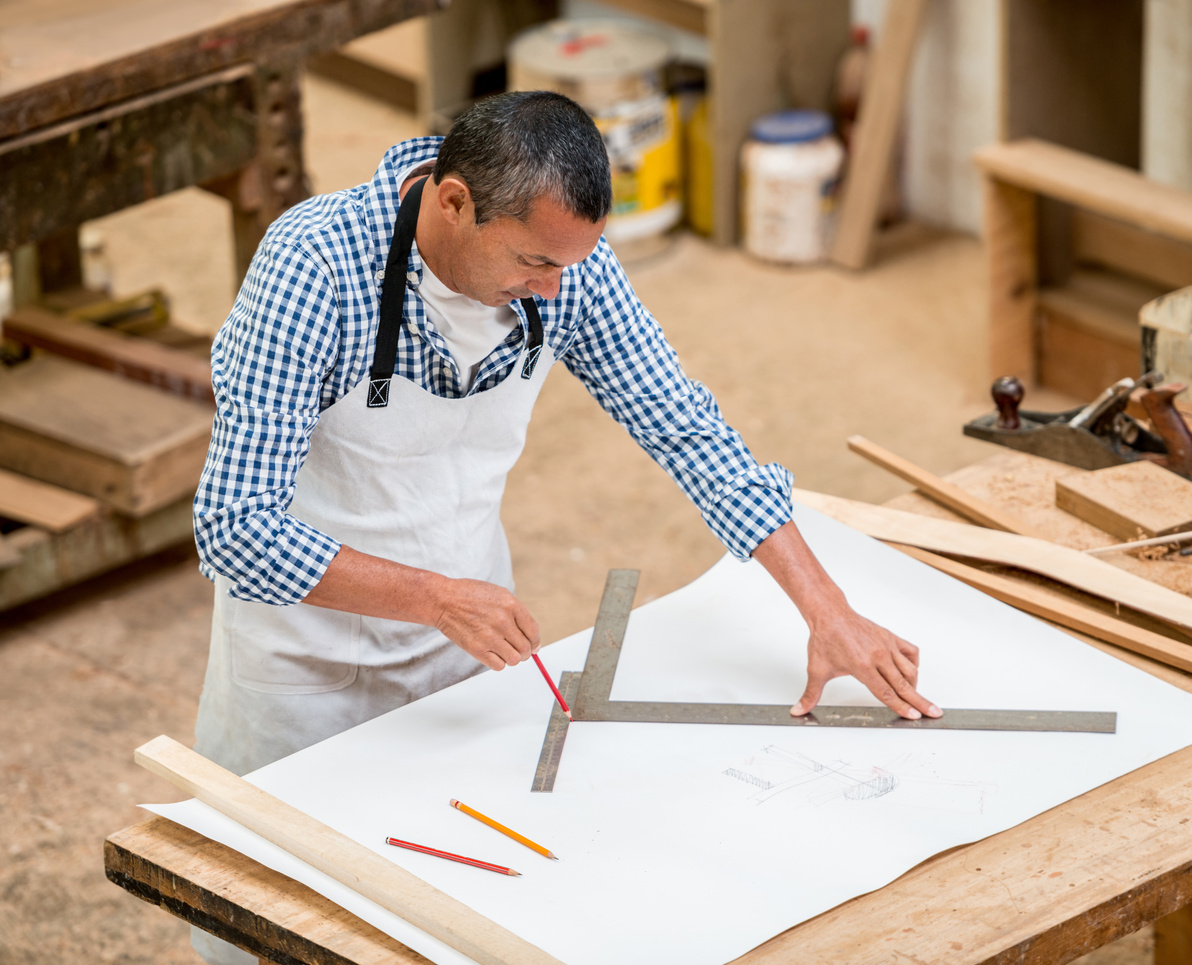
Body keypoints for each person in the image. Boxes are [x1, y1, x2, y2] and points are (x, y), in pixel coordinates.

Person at [191, 89, 938, 943]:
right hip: (304, 664)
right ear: (452, 202)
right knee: (281, 919)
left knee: (457, 911)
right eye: (532, 262)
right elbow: (235, 528)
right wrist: (438, 597)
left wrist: (827, 611)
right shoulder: (313, 267)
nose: (553, 288)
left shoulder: (568, 269)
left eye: (567, 264)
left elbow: (682, 426)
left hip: (467, 648)